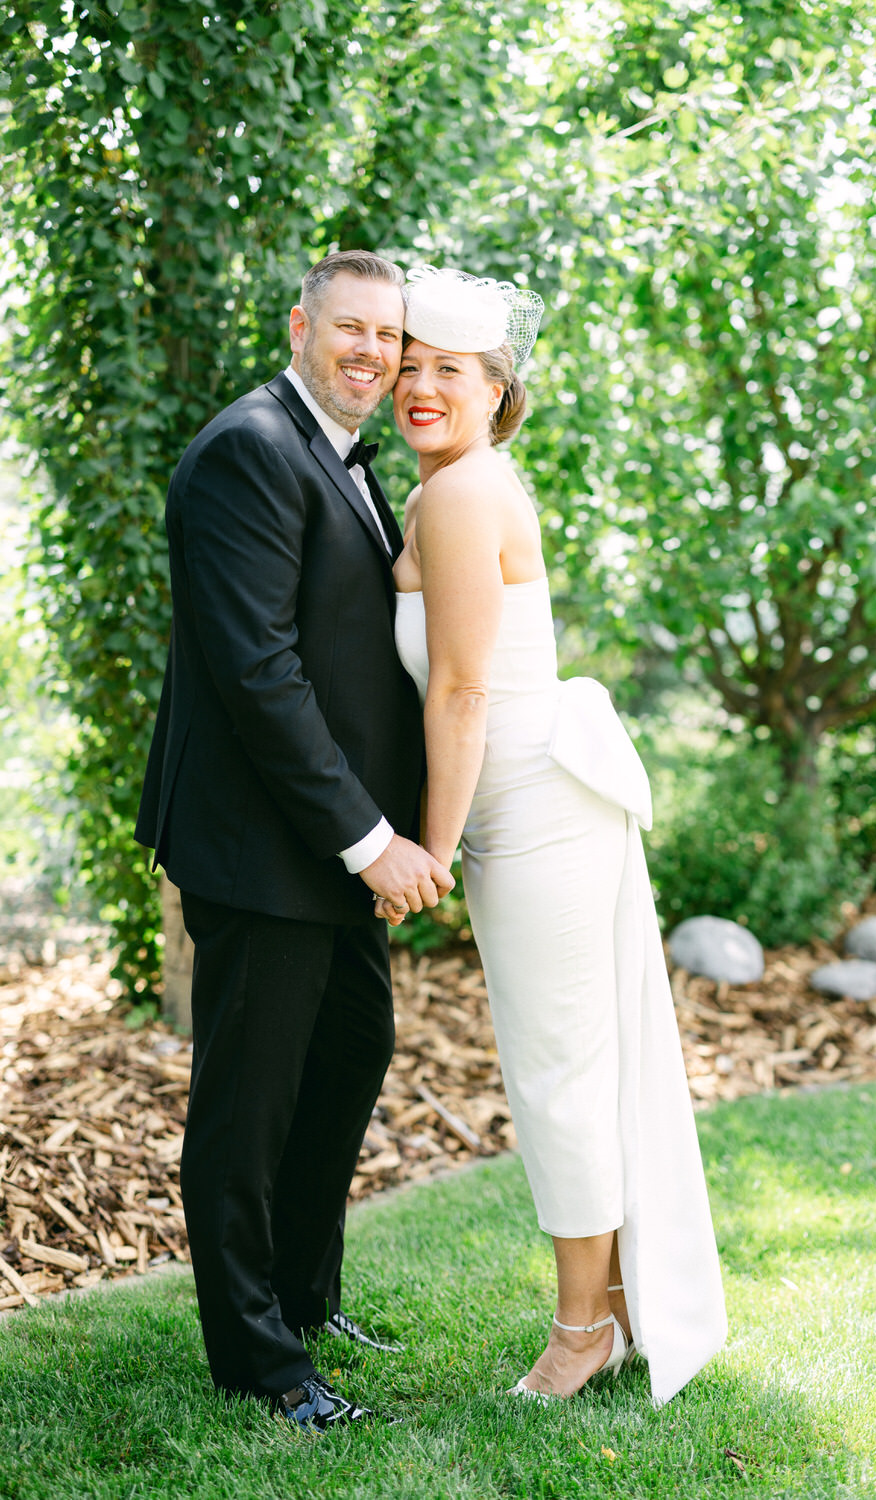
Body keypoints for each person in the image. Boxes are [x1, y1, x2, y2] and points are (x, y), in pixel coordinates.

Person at [381, 266, 727, 1403]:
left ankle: (584, 1332)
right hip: (529, 806)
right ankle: (614, 1308)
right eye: (412, 365)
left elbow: (465, 690)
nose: (423, 387)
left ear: (498, 391)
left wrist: (428, 849)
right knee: (572, 1060)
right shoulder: (454, 484)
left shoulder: (465, 492)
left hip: (530, 811)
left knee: (559, 1069)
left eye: (452, 372)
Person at [135, 249, 453, 1430]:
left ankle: (304, 1301)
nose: (374, 352)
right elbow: (259, 675)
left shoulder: (331, 450)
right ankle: (259, 1364)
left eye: (391, 336)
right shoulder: (247, 453)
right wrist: (374, 842)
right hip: (261, 847)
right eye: (352, 329)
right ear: (301, 325)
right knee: (248, 1108)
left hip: (325, 848)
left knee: (350, 1055)